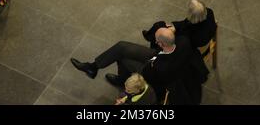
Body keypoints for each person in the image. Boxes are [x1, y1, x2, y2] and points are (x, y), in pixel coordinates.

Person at [71, 27, 208, 103]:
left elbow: (148, 74)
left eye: (156, 39)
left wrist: (152, 63)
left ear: (161, 43)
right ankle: (93, 67)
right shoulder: (182, 41)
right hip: (158, 57)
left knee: (123, 59)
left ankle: (123, 80)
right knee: (122, 47)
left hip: (155, 74)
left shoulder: (161, 68)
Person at [142, 0, 217, 50]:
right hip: (203, 38)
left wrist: (173, 30)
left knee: (159, 27)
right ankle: (150, 37)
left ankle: (153, 44)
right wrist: (175, 26)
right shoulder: (209, 12)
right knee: (160, 27)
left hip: (189, 46)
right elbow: (186, 23)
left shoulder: (191, 32)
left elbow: (184, 32)